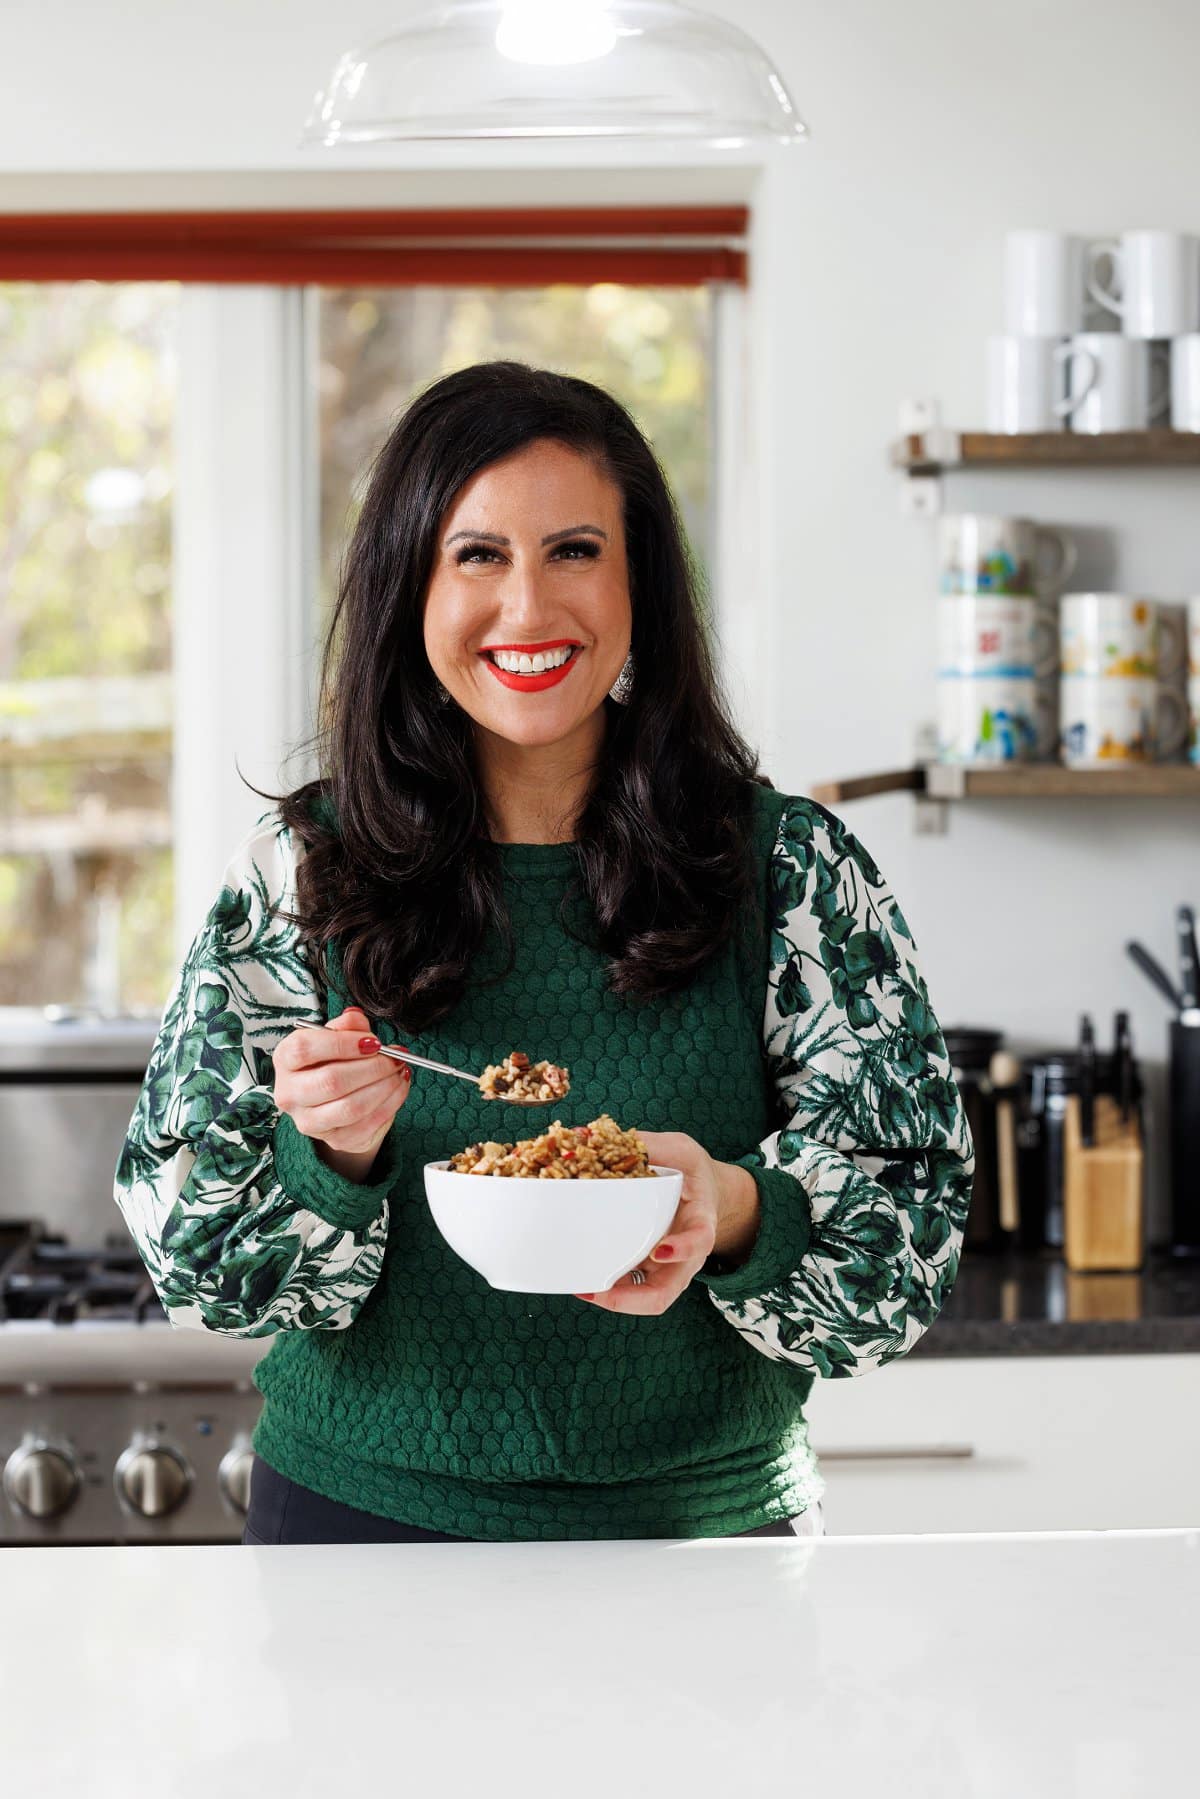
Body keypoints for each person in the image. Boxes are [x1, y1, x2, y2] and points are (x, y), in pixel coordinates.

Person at [114, 360, 974, 1545]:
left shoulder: (792, 869)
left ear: (640, 585)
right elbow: (200, 1265)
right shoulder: (301, 868)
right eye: (477, 555)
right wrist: (330, 1153)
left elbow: (908, 1247)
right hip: (362, 1531)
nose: (526, 610)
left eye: (573, 550)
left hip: (707, 1539)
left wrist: (727, 1207)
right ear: (407, 583)